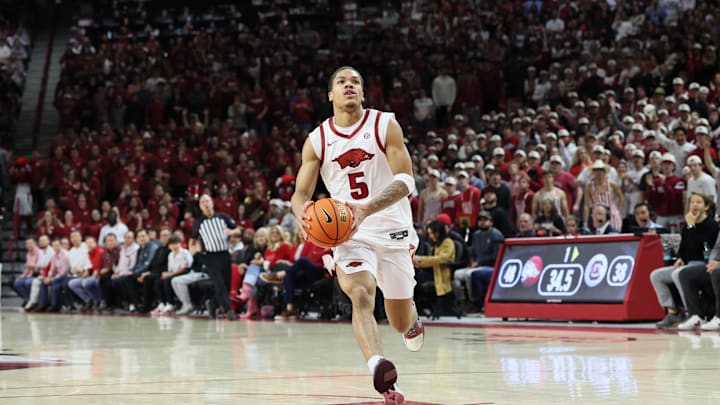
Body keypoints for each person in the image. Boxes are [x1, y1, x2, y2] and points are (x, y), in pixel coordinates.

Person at [291, 66, 422, 402]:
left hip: (391, 227)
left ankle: (411, 320)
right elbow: (300, 195)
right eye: (341, 82)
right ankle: (381, 371)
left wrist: (367, 208)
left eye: (356, 82)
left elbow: (406, 180)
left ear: (363, 93)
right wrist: (302, 214)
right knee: (361, 295)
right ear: (330, 95)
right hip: (348, 232)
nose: (349, 85)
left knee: (398, 321)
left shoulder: (384, 124)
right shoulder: (318, 139)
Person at [651, 193, 718, 329]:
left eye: (698, 202)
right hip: (688, 263)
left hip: (703, 263)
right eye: (692, 202)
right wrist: (681, 258)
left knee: (678, 274)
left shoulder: (711, 225)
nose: (694, 205)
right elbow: (683, 248)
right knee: (656, 275)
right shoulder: (688, 225)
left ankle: (692, 313)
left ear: (706, 207)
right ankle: (673, 313)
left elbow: (705, 248)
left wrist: (692, 228)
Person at [190, 194, 241, 320]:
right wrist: (194, 252)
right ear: (200, 207)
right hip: (209, 256)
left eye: (207, 201)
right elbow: (192, 240)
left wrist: (232, 232)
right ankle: (228, 310)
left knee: (227, 285)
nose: (206, 204)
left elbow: (238, 230)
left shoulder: (223, 217)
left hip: (224, 254)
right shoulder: (199, 222)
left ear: (212, 203)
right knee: (219, 282)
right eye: (202, 202)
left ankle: (212, 304)